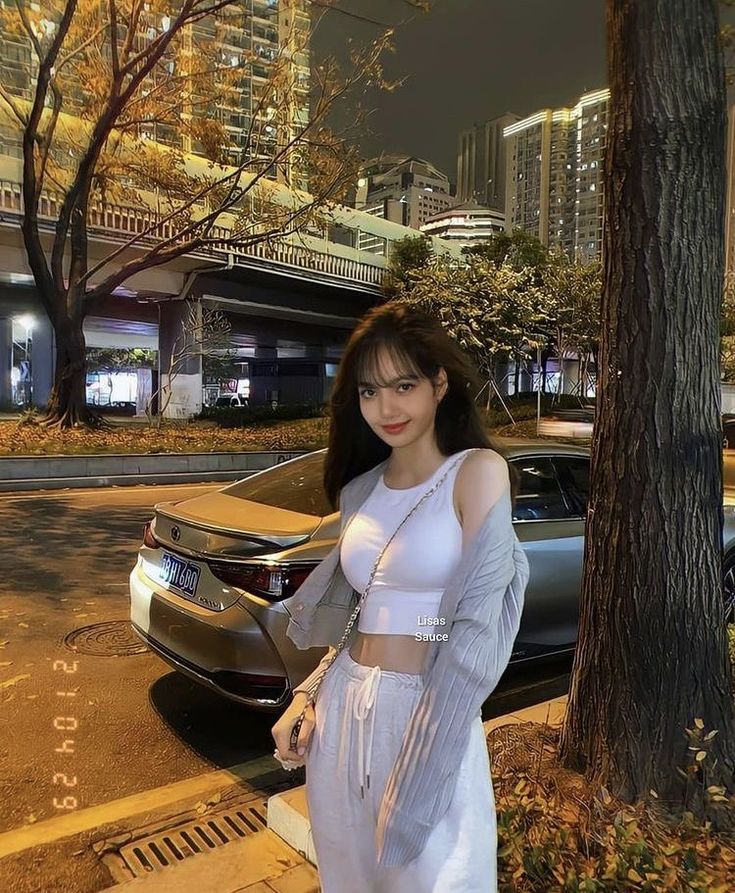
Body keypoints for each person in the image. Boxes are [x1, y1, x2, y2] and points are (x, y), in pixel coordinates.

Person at [271, 302, 529, 892]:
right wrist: (307, 697)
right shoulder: (361, 490)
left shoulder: (476, 472)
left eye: (403, 386)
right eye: (369, 391)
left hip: (426, 712)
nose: (386, 408)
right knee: (351, 877)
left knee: (439, 877)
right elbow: (360, 622)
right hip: (342, 715)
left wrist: (419, 765)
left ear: (439, 385)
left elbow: (473, 631)